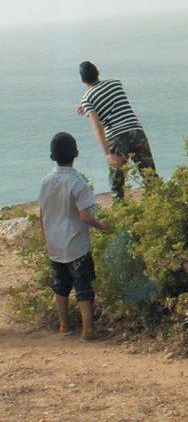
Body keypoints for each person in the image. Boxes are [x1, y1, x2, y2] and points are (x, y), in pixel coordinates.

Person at [38, 132, 112, 341]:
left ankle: (64, 324)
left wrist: (46, 240)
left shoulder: (46, 182)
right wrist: (102, 225)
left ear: (52, 157)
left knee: (60, 286)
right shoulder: (78, 184)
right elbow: (84, 216)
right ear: (77, 153)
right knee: (83, 286)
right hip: (76, 244)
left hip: (55, 244)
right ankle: (88, 329)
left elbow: (42, 213)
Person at [76, 61, 156, 199]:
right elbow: (108, 98)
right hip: (136, 131)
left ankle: (122, 210)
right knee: (150, 175)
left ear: (82, 79)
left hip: (117, 138)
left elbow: (97, 127)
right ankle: (157, 206)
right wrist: (87, 106)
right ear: (97, 72)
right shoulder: (115, 83)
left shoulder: (87, 98)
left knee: (117, 182)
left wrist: (108, 154)